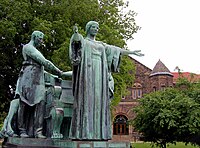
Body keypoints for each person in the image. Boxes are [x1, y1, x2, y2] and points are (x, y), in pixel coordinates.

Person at [69, 21, 143, 140]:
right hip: (88, 72)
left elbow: (116, 50)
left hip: (100, 73)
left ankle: (98, 133)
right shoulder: (84, 41)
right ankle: (85, 133)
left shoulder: (101, 44)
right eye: (93, 27)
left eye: (97, 27)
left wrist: (131, 52)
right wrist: (76, 35)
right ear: (88, 28)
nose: (96, 29)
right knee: (87, 99)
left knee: (99, 101)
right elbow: (76, 44)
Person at [16, 31, 63, 138]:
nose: (41, 41)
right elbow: (44, 62)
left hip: (38, 78)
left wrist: (53, 76)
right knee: (23, 103)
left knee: (40, 102)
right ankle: (22, 130)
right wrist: (58, 72)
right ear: (34, 37)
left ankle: (38, 131)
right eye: (40, 39)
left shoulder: (35, 50)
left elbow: (40, 67)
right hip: (28, 78)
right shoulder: (28, 47)